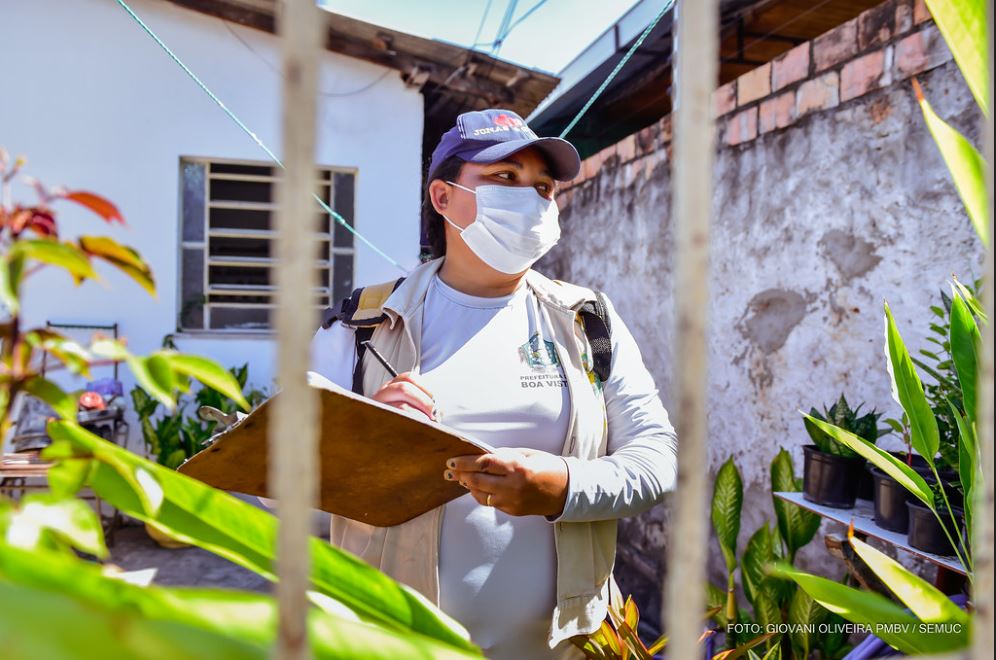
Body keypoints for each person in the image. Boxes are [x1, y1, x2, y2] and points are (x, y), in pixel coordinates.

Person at [310, 108, 678, 659]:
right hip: (392, 644)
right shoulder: (360, 327)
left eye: (544, 187)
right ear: (442, 197)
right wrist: (363, 440)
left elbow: (657, 460)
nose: (530, 198)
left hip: (566, 646)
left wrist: (565, 488)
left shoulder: (587, 319)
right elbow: (280, 494)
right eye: (504, 177)